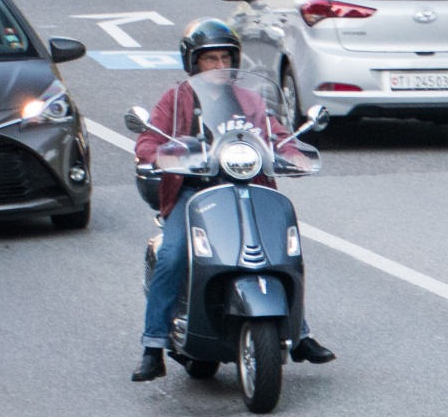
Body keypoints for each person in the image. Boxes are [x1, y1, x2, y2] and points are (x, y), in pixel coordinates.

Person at [130, 20, 333, 382]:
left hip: (248, 187)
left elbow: (276, 132)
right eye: (210, 59)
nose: (219, 66)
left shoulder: (249, 99)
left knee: (281, 251)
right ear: (193, 63)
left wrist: (292, 151)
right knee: (173, 254)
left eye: (226, 58)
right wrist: (160, 154)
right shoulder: (176, 99)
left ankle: (300, 335)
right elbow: (148, 139)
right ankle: (153, 345)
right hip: (193, 193)